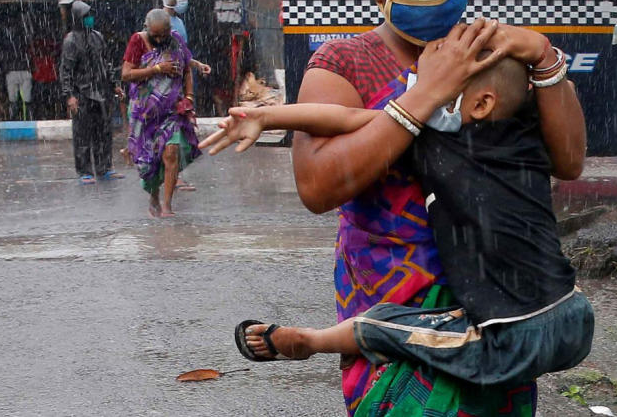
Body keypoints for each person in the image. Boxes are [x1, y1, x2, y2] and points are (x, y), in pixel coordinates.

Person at [210, 0, 584, 414]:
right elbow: (318, 187)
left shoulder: (490, 58)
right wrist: (424, 96)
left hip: (491, 309)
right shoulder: (343, 65)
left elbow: (567, 161)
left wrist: (543, 55)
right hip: (391, 317)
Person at [203, 52, 595, 386]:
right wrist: (541, 53)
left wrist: (268, 118)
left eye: (432, 87)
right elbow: (563, 92)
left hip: (513, 336)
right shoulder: (526, 133)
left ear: (480, 105)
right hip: (574, 315)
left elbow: (344, 118)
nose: (417, 96)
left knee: (389, 324)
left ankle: (312, 341)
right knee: (438, 321)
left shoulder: (432, 137)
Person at [121, 9, 201, 217]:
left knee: (171, 151)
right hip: (144, 113)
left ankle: (167, 205)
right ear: (147, 28)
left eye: (163, 34)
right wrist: (156, 69)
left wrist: (189, 97)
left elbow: (186, 68)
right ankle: (154, 196)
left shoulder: (174, 41)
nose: (159, 39)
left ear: (169, 30)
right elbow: (127, 74)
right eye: (155, 35)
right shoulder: (137, 41)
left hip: (171, 110)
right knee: (149, 160)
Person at [59, 0, 124, 185]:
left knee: (104, 132)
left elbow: (106, 63)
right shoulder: (71, 40)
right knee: (82, 134)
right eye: (86, 16)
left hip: (101, 91)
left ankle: (105, 167)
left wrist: (114, 84)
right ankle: (84, 171)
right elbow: (66, 70)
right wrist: (69, 95)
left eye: (90, 16)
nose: (90, 19)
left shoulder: (98, 37)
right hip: (81, 93)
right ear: (79, 18)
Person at [160, 0, 209, 192]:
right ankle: (171, 176)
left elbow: (183, 54)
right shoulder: (159, 20)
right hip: (165, 86)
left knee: (180, 132)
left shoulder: (179, 21)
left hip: (180, 85)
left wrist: (197, 65)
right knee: (171, 134)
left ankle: (174, 174)